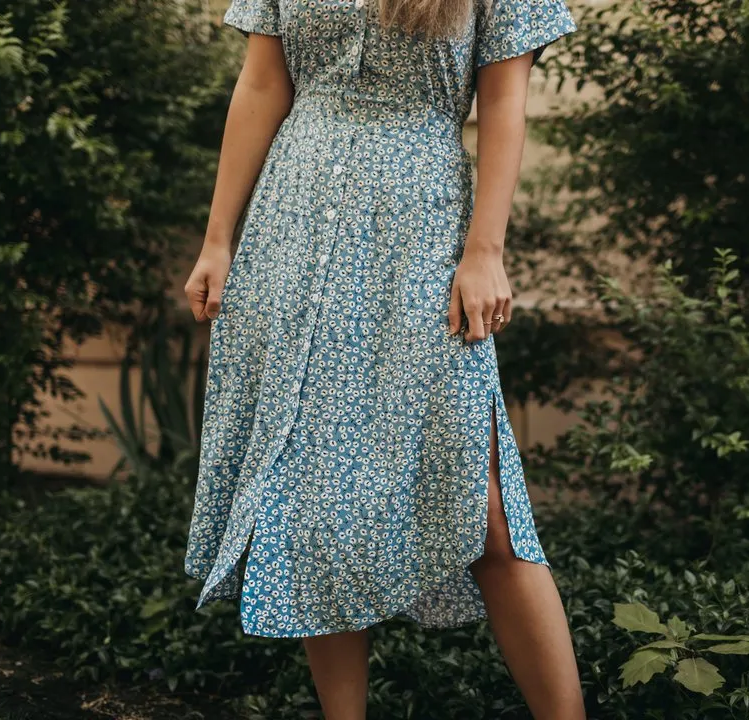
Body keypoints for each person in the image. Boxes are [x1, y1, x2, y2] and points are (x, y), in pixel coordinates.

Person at [182, 0, 584, 715]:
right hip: (293, 220)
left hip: (421, 231)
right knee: (313, 496)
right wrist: (219, 237)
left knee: (484, 501)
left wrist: (485, 250)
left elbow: (504, 97)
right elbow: (264, 83)